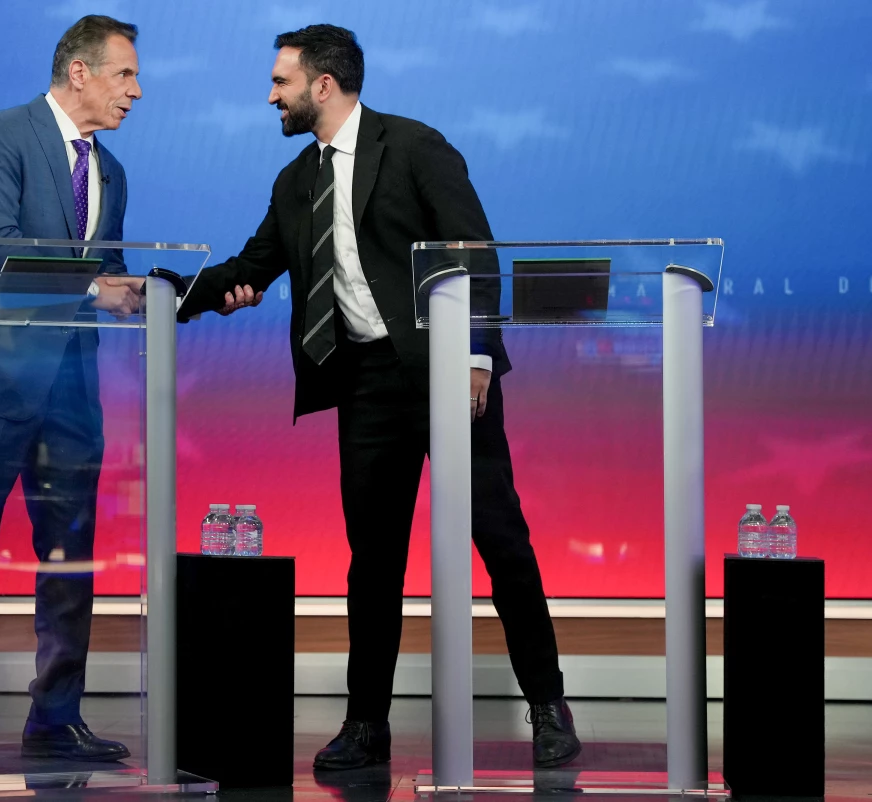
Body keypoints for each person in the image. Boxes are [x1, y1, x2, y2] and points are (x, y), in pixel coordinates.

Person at [179, 25, 582, 770]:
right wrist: (166, 297)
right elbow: (253, 265)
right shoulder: (296, 180)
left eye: (281, 82)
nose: (271, 95)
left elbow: (475, 253)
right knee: (373, 562)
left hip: (449, 375)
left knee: (500, 538)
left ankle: (549, 704)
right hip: (365, 380)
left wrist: (477, 360)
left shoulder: (416, 147)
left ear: (322, 86)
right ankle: (367, 724)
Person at [0, 14, 144, 764]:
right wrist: (99, 290)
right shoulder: (1, 134)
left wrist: (160, 292)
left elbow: (113, 274)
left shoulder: (113, 173)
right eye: (124, 74)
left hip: (73, 392)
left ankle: (56, 716)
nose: (136, 90)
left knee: (70, 560)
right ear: (80, 73)